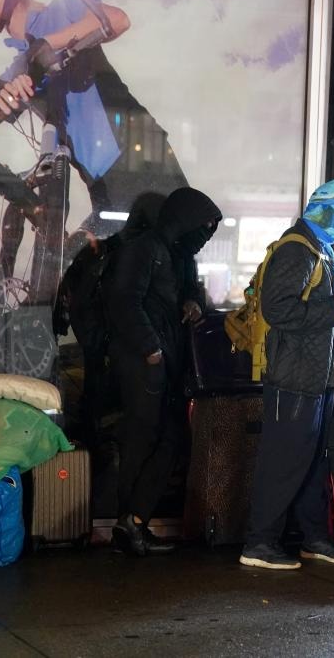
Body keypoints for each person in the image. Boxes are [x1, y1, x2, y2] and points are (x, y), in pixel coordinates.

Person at [0, 0, 187, 242]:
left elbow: (117, 20)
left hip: (142, 159)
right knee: (77, 267)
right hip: (102, 188)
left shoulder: (64, 7)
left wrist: (48, 44)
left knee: (166, 267)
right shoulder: (20, 67)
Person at [239, 181, 334, 571]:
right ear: (325, 212)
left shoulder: (319, 250)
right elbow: (278, 310)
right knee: (282, 463)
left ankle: (313, 539)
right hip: (293, 377)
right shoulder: (296, 250)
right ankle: (259, 543)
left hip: (317, 376)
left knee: (311, 462)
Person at [107, 187, 221, 556]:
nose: (204, 236)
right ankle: (129, 523)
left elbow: (191, 292)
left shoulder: (180, 256)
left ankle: (134, 522)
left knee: (168, 439)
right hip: (144, 363)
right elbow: (123, 300)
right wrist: (150, 349)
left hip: (167, 362)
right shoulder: (145, 249)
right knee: (145, 441)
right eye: (201, 227)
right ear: (182, 220)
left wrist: (194, 303)